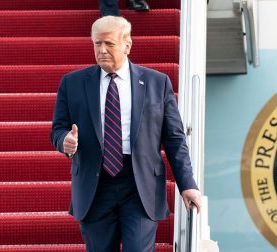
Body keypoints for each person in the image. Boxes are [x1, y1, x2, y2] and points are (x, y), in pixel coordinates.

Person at [51, 15, 201, 252]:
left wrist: (187, 184)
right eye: (97, 44)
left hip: (140, 184)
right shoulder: (73, 83)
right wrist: (65, 142)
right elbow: (58, 129)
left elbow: (174, 138)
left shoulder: (156, 83)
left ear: (127, 45)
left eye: (109, 44)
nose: (101, 50)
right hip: (95, 186)